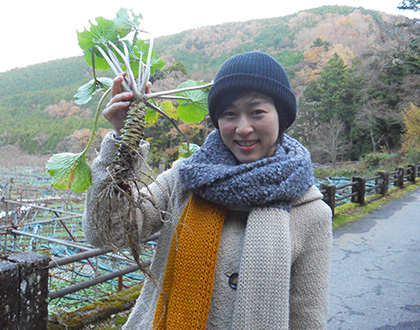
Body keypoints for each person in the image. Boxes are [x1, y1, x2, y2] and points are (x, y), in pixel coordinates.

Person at [83, 51, 332, 330]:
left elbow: (307, 317)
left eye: (257, 112)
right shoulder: (184, 181)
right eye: (229, 114)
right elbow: (106, 232)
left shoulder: (311, 212)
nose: (243, 127)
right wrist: (123, 141)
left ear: (281, 117)